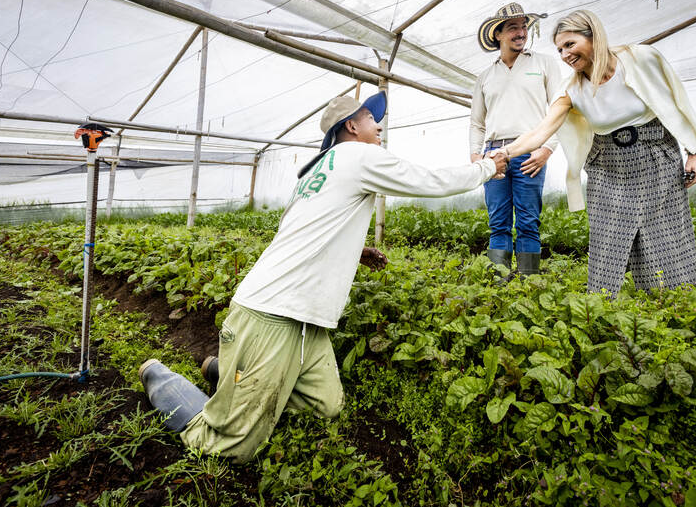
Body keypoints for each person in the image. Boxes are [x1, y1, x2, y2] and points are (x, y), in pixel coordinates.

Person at [138, 91, 508, 462]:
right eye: (370, 119)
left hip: (305, 320)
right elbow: (433, 182)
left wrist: (354, 249)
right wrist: (488, 167)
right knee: (230, 448)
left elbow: (297, 225)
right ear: (351, 126)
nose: (378, 126)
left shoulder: (318, 167)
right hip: (273, 314)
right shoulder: (359, 155)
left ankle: (229, 374)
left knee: (325, 406)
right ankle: (160, 376)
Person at [497, 9, 696, 297]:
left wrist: (694, 151)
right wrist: (502, 154)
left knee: (664, 234)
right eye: (559, 49)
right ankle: (600, 304)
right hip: (609, 166)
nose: (564, 55)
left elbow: (676, 103)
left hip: (656, 154)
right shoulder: (571, 89)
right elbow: (539, 132)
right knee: (608, 238)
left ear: (593, 36)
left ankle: (676, 299)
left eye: (570, 45)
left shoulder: (640, 59)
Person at [470, 2, 563, 276]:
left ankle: (527, 282)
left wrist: (547, 148)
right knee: (498, 223)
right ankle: (499, 284)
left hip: (530, 153)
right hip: (493, 155)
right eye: (513, 28)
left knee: (528, 222)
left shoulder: (544, 63)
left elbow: (559, 109)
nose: (521, 32)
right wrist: (476, 156)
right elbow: (477, 122)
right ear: (497, 34)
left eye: (524, 26)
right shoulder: (485, 77)